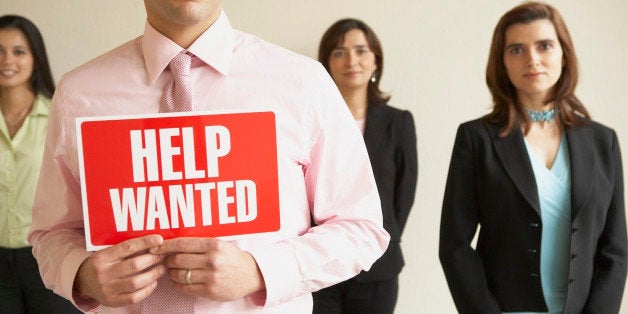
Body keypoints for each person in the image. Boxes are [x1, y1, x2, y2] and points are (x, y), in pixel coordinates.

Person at [27, 1, 390, 313]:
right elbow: (52, 232)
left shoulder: (303, 83)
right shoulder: (79, 94)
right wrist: (83, 274)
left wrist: (260, 271)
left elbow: (361, 228)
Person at [439, 2, 626, 313]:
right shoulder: (476, 139)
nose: (533, 59)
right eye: (516, 49)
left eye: (544, 46)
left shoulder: (602, 141)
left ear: (564, 54)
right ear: (502, 62)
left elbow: (615, 249)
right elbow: (454, 245)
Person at [312, 18, 417, 314]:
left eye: (361, 51)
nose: (351, 60)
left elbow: (403, 196)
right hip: (321, 267)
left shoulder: (399, 122)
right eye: (339, 52)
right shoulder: (314, 120)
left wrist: (382, 241)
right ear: (327, 63)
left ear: (375, 61)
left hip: (379, 268)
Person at [0, 15, 80, 313]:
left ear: (35, 57)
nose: (7, 60)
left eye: (19, 51)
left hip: (44, 257)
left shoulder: (60, 115)